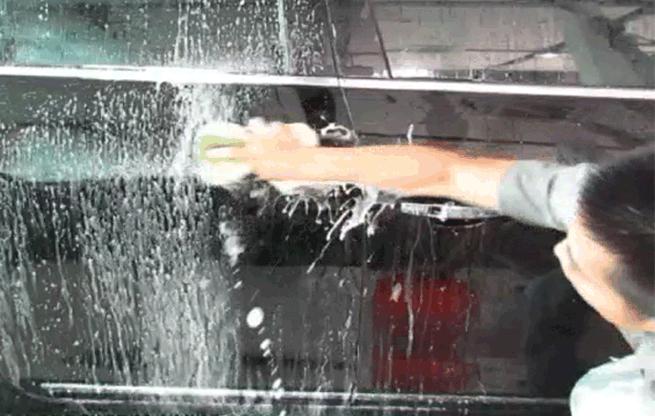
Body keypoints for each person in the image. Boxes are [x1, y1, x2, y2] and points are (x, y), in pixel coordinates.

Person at [204, 124, 655, 414]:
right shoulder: (620, 204)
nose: (561, 253)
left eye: (582, 268)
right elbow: (448, 174)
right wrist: (294, 164)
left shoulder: (624, 400)